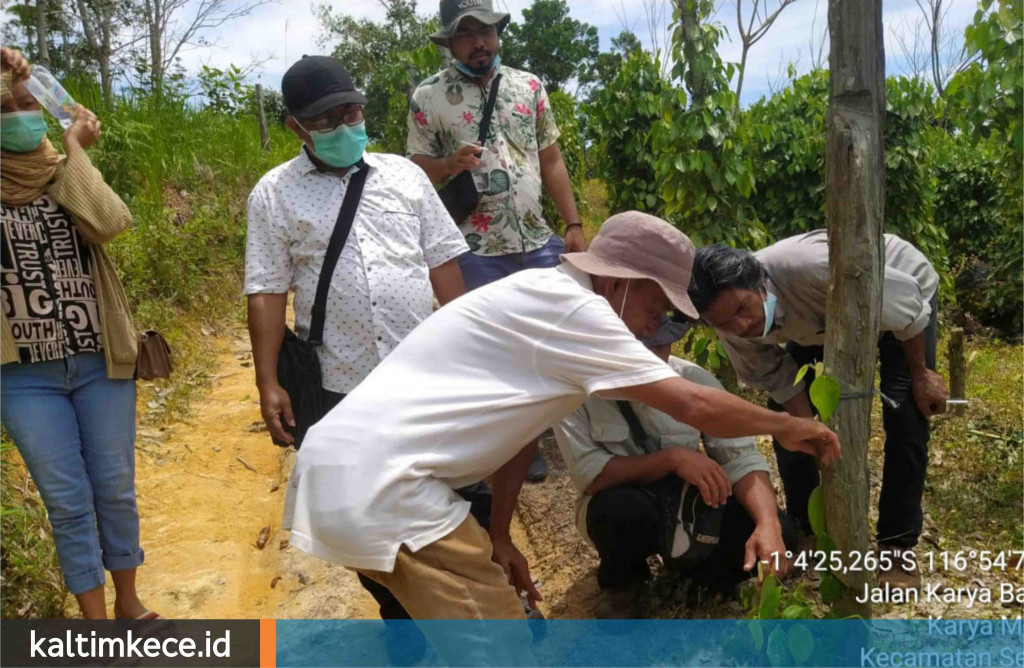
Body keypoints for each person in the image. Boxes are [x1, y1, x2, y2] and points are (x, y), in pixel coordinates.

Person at [282, 211, 840, 652]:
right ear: (622, 280)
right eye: (656, 304)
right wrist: (788, 425)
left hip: (341, 471)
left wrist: (499, 536)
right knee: (503, 648)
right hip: (386, 489)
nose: (656, 324)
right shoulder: (579, 312)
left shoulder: (539, 299)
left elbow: (521, 434)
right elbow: (694, 403)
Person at [244, 55, 474, 625]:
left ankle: (482, 605)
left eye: (352, 110)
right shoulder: (273, 195)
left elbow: (444, 264)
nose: (347, 124)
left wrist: (474, 349)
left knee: (459, 495)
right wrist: (268, 380)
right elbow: (267, 291)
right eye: (327, 119)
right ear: (297, 127)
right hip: (341, 386)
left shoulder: (406, 176)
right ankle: (401, 614)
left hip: (425, 375)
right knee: (366, 516)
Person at [688, 230, 947, 590]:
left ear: (759, 283)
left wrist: (921, 375)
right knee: (787, 426)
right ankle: (808, 534)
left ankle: (897, 547)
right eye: (724, 323)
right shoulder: (729, 320)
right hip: (819, 321)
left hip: (898, 290)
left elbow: (909, 313)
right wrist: (803, 424)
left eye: (742, 310)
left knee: (905, 415)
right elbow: (778, 377)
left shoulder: (810, 271)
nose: (740, 326)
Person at [0, 48, 155, 619]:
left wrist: (73, 152)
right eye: (5, 108)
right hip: (21, 376)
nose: (19, 115)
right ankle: (94, 622)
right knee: (67, 501)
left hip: (99, 361)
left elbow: (110, 223)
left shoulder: (63, 170)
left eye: (27, 104)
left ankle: (130, 602)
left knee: (115, 488)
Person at [406, 0, 587, 481]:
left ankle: (567, 432)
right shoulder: (429, 97)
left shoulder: (529, 86)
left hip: (535, 238)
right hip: (473, 247)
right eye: (466, 34)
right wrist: (449, 165)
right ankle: (512, 450)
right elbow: (418, 168)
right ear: (451, 42)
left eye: (485, 30)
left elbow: (551, 160)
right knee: (491, 349)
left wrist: (572, 226)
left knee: (552, 335)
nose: (479, 42)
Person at [554, 319, 799, 618]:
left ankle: (699, 568)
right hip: (631, 508)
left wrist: (767, 524)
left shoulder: (693, 379)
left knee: (781, 528)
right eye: (644, 346)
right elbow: (590, 474)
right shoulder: (574, 392)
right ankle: (624, 584)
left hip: (689, 510)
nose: (655, 355)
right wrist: (673, 459)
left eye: (661, 344)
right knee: (618, 509)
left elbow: (742, 458)